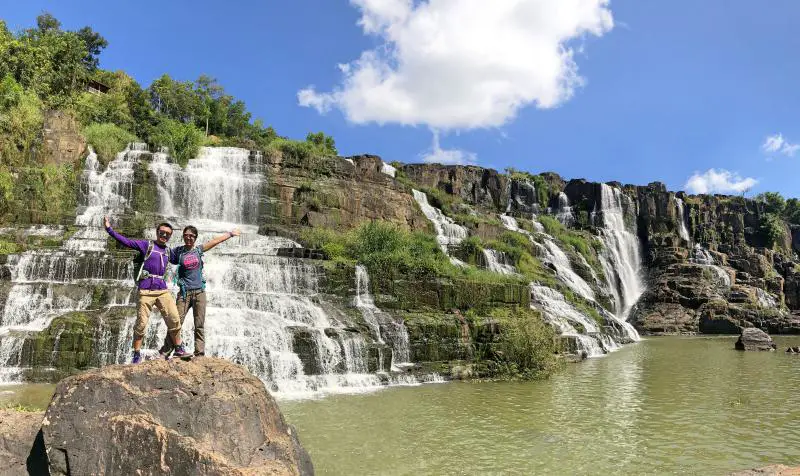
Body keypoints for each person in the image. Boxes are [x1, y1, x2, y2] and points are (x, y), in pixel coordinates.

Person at [104, 216, 190, 363]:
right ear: (157, 232)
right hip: (146, 290)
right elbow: (127, 241)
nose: (164, 235)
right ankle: (136, 354)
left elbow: (186, 255)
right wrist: (109, 230)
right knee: (142, 324)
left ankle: (179, 348)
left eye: (167, 234)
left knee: (174, 319)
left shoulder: (169, 252)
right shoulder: (146, 245)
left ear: (170, 236)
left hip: (162, 290)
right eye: (162, 232)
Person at [159, 225, 241, 358]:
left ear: (195, 238)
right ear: (183, 236)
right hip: (184, 293)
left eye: (191, 236)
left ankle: (199, 354)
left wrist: (230, 234)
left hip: (199, 293)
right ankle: (166, 351)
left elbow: (214, 241)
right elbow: (162, 253)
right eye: (186, 235)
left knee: (199, 325)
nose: (188, 238)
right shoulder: (177, 252)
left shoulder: (198, 250)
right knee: (176, 323)